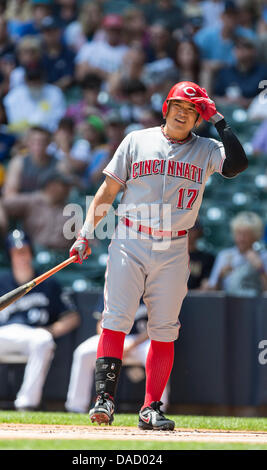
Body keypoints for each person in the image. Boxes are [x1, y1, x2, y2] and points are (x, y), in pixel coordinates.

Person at [69, 80, 248, 430]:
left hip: (174, 245)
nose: (183, 115)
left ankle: (151, 407)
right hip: (130, 238)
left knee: (164, 328)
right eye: (178, 108)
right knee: (116, 318)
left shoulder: (208, 148)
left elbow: (238, 165)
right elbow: (108, 190)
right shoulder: (137, 140)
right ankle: (103, 399)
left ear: (199, 118)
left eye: (191, 112)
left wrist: (220, 121)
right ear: (166, 108)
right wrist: (85, 232)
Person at [0, 229, 80, 410]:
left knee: (44, 340)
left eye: (24, 251)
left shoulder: (48, 282)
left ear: (31, 253)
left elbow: (72, 317)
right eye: (16, 252)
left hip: (32, 335)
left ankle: (27, 403)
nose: (21, 256)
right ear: (9, 255)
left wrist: (50, 330)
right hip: (1, 334)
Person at [65, 299, 168, 414]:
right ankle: (76, 407)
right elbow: (101, 322)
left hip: (142, 341)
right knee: (83, 353)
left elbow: (156, 326)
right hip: (114, 338)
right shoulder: (116, 284)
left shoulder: (152, 287)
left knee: (154, 351)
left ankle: (157, 408)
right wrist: (108, 344)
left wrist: (130, 346)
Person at [0, 170, 75, 251]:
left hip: (63, 257)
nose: (68, 190)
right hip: (36, 254)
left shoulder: (71, 209)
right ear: (51, 186)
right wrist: (1, 220)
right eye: (64, 186)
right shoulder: (32, 201)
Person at [205, 212, 267, 295]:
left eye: (246, 235)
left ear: (255, 236)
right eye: (238, 233)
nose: (241, 238)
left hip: (256, 306)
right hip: (229, 306)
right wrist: (220, 276)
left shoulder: (263, 256)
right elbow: (212, 291)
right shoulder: (224, 255)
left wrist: (260, 269)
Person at [213, 36, 267, 109]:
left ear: (254, 51)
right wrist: (226, 101)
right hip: (228, 113)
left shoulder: (263, 72)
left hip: (255, 113)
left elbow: (264, 98)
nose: (241, 50)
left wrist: (248, 102)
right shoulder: (225, 72)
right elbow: (215, 97)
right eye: (238, 47)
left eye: (246, 47)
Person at [3, 126, 57, 196]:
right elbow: (10, 192)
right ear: (28, 142)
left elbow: (55, 195)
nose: (38, 145)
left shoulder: (57, 164)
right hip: (21, 203)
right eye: (34, 141)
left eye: (42, 142)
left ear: (49, 143)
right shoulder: (18, 162)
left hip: (47, 204)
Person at [187, 220, 215, 290]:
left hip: (196, 299)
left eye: (192, 229)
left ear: (198, 232)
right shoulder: (171, 257)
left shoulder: (207, 258)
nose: (189, 232)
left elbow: (206, 285)